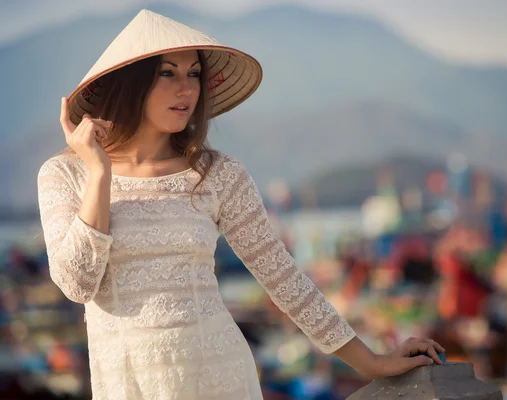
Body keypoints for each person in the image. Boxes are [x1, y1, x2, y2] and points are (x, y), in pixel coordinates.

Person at [37, 9, 445, 400]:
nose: (186, 89)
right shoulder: (66, 175)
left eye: (194, 74)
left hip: (219, 375)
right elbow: (77, 283)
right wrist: (100, 173)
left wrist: (371, 361)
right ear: (130, 83)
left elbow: (283, 278)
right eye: (168, 74)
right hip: (127, 382)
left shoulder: (218, 175)